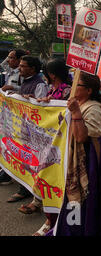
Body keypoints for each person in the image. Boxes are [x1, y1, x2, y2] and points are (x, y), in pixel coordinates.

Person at [49, 72, 101, 236]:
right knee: (72, 198)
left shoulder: (94, 109)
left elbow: (81, 137)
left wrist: (76, 113)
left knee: (80, 198)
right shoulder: (75, 103)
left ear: (89, 90)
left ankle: (80, 230)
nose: (73, 87)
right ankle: (76, 228)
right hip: (72, 160)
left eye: (78, 84)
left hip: (87, 162)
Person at [30, 58, 72, 236]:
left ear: (52, 74)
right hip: (49, 141)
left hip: (62, 144)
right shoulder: (52, 89)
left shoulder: (68, 91)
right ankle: (48, 216)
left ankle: (52, 221)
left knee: (57, 181)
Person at [6, 56, 49, 205]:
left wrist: (31, 101)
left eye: (23, 66)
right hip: (23, 129)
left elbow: (41, 110)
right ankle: (24, 189)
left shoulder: (40, 85)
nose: (20, 68)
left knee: (33, 163)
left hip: (34, 134)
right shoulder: (26, 81)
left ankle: (33, 194)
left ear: (32, 69)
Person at [0, 49, 27, 186]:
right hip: (8, 113)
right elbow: (3, 65)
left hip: (18, 115)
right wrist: (11, 53)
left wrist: (13, 88)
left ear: (19, 60)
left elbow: (24, 90)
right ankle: (6, 170)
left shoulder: (22, 74)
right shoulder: (10, 70)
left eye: (12, 58)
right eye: (9, 58)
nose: (9, 60)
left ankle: (9, 173)